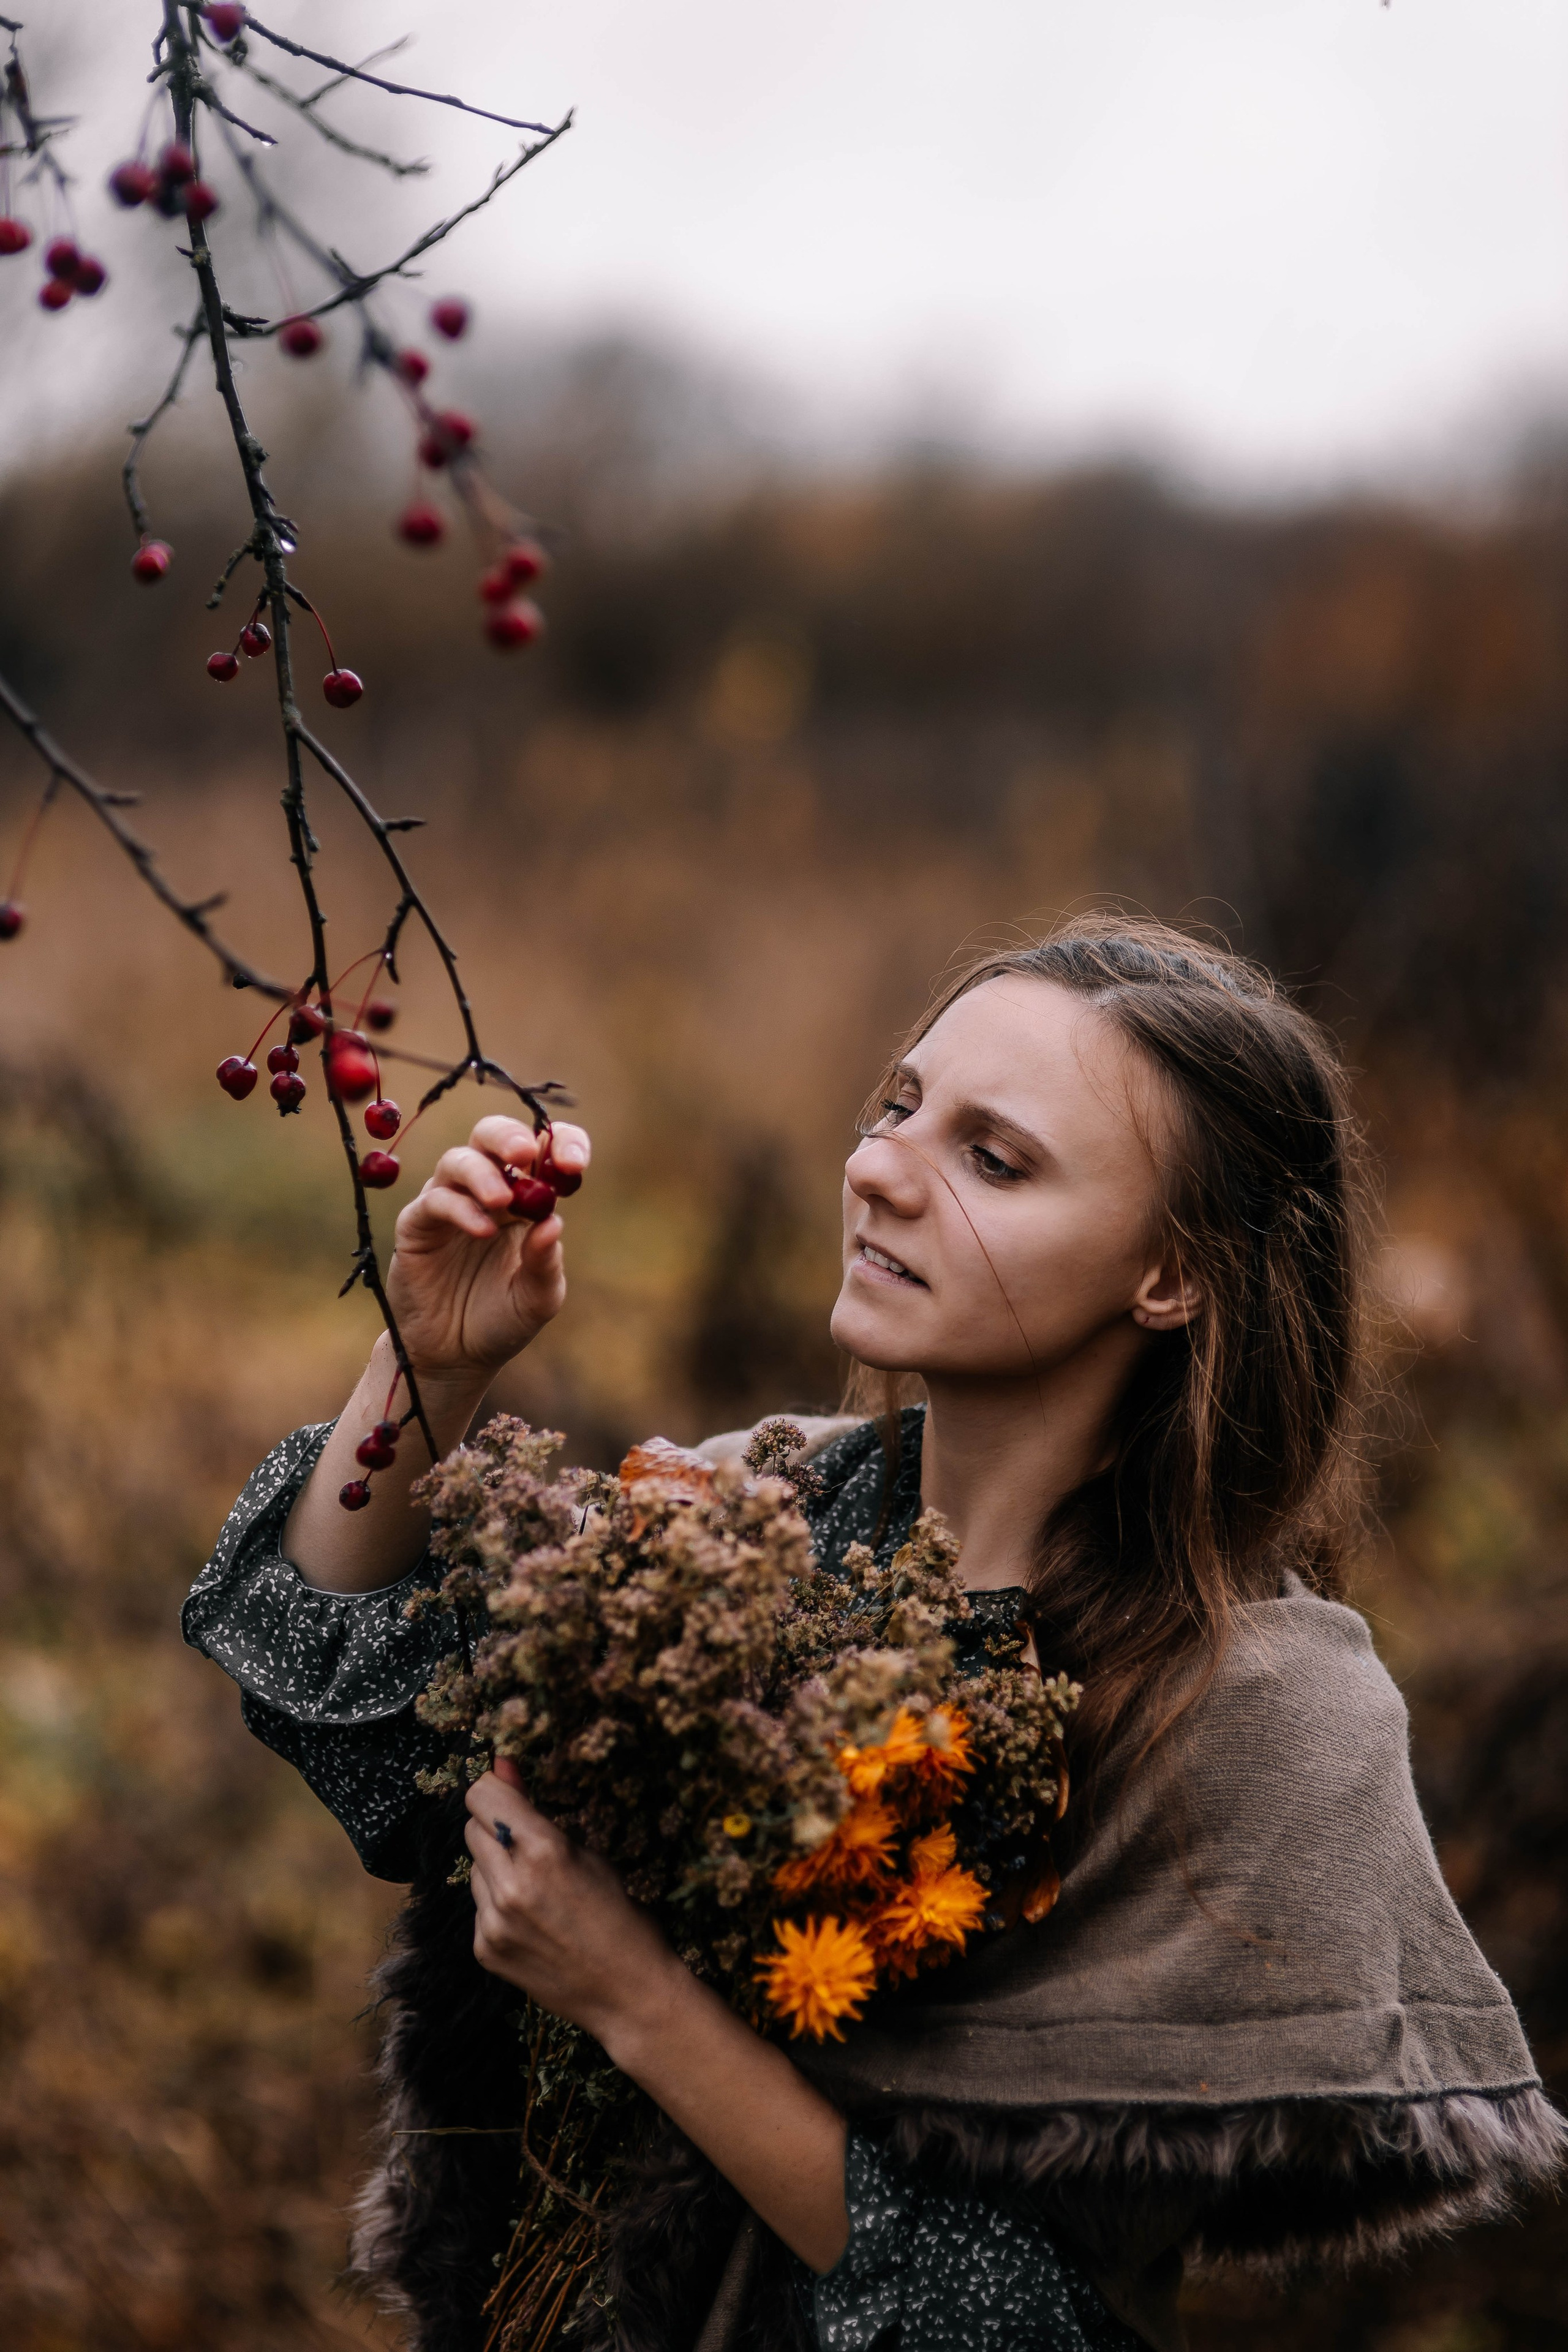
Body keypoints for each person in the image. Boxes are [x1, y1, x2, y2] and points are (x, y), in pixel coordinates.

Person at [184, 919, 1564, 2352]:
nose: (877, 1170)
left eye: (994, 1159)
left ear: (1169, 1275)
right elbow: (339, 1703)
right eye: (898, 1106)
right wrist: (428, 1363)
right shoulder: (742, 1519)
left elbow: (1023, 2318)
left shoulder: (1248, 1711)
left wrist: (637, 2002)